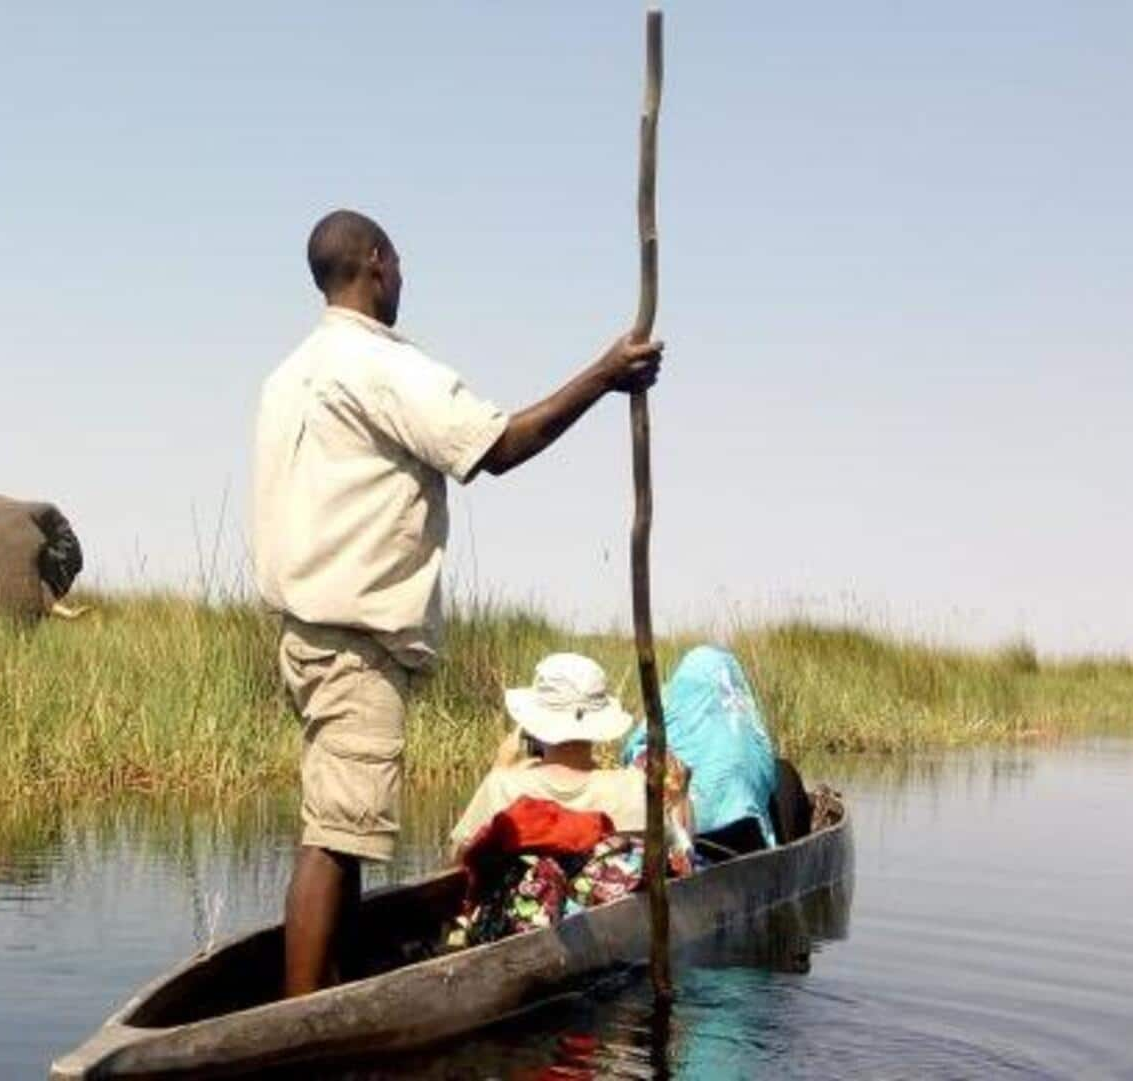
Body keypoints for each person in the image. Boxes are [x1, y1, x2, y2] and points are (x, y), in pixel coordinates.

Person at [250, 209, 664, 997]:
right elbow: (497, 447)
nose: (403, 277)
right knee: (335, 836)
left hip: (305, 632)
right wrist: (605, 376)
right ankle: (302, 1015)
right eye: (399, 262)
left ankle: (331, 981)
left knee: (343, 825)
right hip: (354, 637)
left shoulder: (289, 375)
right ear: (374, 263)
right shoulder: (375, 366)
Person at [447, 653, 650, 852]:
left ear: (534, 722)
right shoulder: (633, 787)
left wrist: (498, 769)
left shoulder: (503, 787)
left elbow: (459, 858)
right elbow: (669, 856)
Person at [623, 644, 783, 860]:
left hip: (696, 837)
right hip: (748, 836)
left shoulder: (677, 702)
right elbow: (770, 778)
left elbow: (631, 751)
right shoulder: (749, 727)